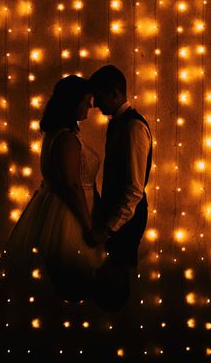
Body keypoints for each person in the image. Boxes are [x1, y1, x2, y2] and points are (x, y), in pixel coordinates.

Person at [0, 75, 105, 302]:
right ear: (72, 102)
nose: (91, 105)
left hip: (63, 208)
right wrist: (87, 226)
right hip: (70, 214)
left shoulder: (58, 134)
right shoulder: (65, 138)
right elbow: (72, 185)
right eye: (86, 101)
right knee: (72, 281)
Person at [86, 65, 153, 311]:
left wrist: (110, 226)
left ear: (115, 93)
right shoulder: (118, 124)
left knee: (114, 283)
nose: (94, 104)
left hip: (126, 218)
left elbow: (134, 188)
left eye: (98, 96)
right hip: (118, 216)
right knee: (107, 280)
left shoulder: (134, 127)